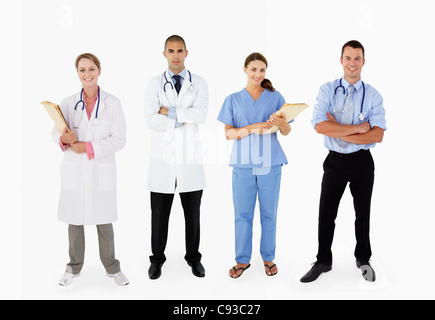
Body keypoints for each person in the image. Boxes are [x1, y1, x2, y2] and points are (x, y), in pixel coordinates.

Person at [301, 40, 387, 283]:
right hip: (335, 162)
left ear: (363, 62)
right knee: (326, 213)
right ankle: (322, 261)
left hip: (362, 162)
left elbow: (378, 135)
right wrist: (360, 128)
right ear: (341, 61)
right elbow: (319, 126)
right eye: (348, 58)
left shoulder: (373, 95)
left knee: (363, 213)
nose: (352, 63)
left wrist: (337, 130)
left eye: (357, 58)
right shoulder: (327, 90)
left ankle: (363, 259)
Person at [52, 53, 129, 286]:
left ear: (99, 71)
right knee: (74, 222)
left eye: (91, 69)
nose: (87, 74)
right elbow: (55, 132)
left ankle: (112, 268)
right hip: (75, 171)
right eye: (82, 70)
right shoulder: (66, 103)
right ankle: (73, 269)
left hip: (100, 170)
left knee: (104, 222)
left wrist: (87, 146)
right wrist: (64, 137)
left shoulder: (113, 103)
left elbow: (120, 139)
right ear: (77, 73)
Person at [218, 52, 292, 279]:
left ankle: (268, 257)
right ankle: (242, 260)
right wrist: (250, 128)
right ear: (245, 70)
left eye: (262, 70)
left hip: (271, 163)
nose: (258, 74)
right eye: (254, 70)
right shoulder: (232, 99)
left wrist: (281, 123)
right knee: (243, 214)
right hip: (243, 164)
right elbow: (228, 134)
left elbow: (287, 131)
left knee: (269, 214)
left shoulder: (276, 97)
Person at [144, 35, 208, 280]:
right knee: (159, 215)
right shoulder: (154, 84)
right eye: (171, 51)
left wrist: (167, 112)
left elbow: (201, 115)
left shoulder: (199, 83)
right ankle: (157, 260)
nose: (176, 55)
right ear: (164, 54)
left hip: (190, 161)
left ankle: (194, 258)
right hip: (162, 162)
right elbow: (150, 120)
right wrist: (183, 118)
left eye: (180, 50)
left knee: (193, 215)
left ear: (186, 53)